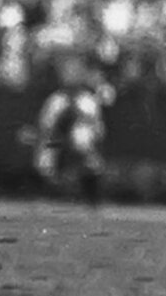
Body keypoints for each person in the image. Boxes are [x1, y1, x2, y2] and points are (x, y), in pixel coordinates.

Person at [33, 71, 116, 208]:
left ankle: (91, 198)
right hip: (57, 142)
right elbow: (46, 125)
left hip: (82, 143)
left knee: (87, 149)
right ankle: (47, 195)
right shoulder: (56, 99)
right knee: (44, 161)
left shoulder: (87, 99)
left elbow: (97, 128)